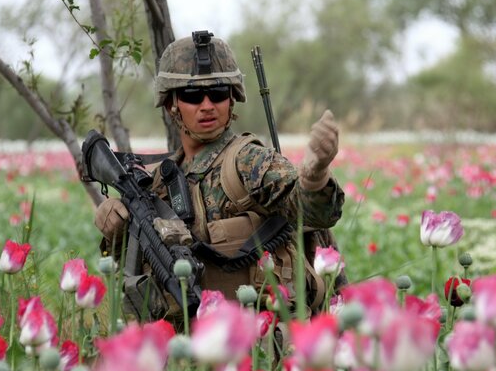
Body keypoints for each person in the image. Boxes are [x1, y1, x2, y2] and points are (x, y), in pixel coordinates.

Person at [93, 31, 345, 326]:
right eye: (192, 96)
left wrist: (314, 178)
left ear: (232, 100)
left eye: (218, 93)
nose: (207, 105)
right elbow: (129, 270)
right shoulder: (160, 181)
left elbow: (309, 210)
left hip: (256, 347)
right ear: (171, 104)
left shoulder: (248, 160)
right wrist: (114, 225)